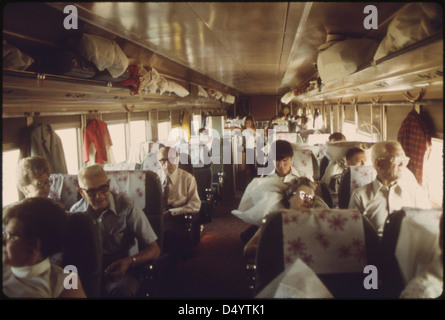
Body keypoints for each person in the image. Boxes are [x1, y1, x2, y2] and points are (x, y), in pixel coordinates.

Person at [69, 164, 160, 297]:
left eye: (103, 189)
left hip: (124, 269)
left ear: (109, 184)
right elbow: (71, 254)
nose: (99, 196)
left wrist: (129, 262)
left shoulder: (127, 207)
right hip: (88, 271)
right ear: (81, 192)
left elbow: (154, 249)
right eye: (92, 192)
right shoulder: (75, 213)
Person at [3, 197, 86, 298]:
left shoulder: (67, 283)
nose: (3, 241)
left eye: (10, 236)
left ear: (33, 245)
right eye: (4, 234)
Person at [348, 141, 431, 237]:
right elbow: (354, 236)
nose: (402, 165)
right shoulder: (360, 196)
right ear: (378, 163)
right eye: (397, 160)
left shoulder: (416, 192)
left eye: (404, 160)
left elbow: (427, 229)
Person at [243, 177, 329, 257]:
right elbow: (248, 248)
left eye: (311, 198)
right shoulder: (275, 220)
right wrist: (280, 251)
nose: (307, 201)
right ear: (290, 196)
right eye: (303, 195)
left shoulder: (313, 222)